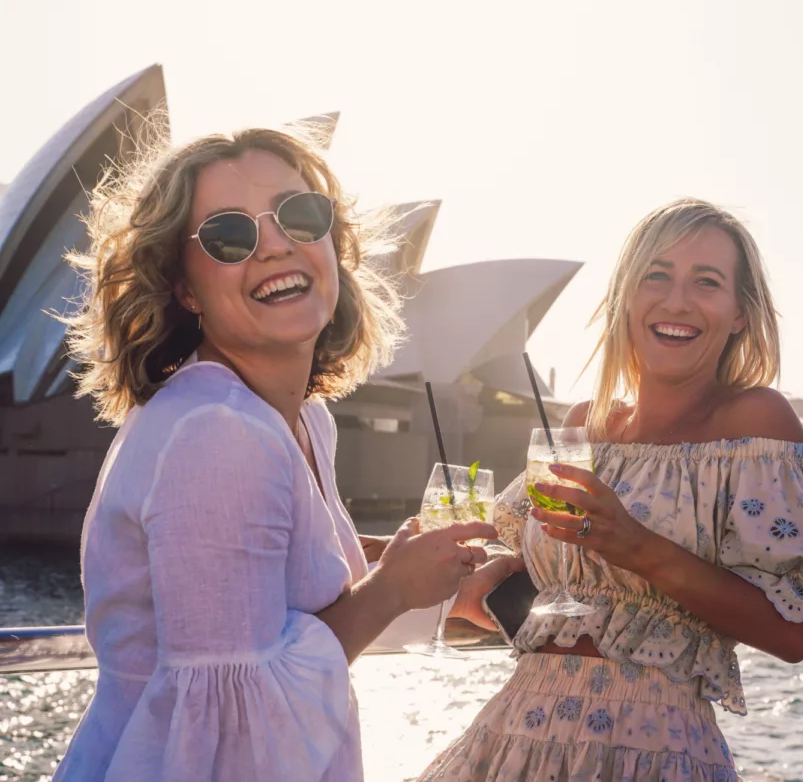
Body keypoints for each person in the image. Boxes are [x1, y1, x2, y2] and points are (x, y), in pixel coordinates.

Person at [53, 126, 515, 781]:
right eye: (229, 236)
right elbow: (233, 721)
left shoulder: (302, 421)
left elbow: (301, 613)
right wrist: (390, 591)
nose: (274, 245)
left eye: (300, 215)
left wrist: (442, 590)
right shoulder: (216, 433)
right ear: (185, 289)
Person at [420, 198, 803, 781]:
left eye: (706, 282)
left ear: (739, 313)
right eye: (655, 275)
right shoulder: (586, 423)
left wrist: (636, 547)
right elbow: (561, 577)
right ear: (626, 298)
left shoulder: (755, 423)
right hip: (513, 737)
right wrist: (491, 575)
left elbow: (792, 636)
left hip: (651, 752)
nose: (677, 300)